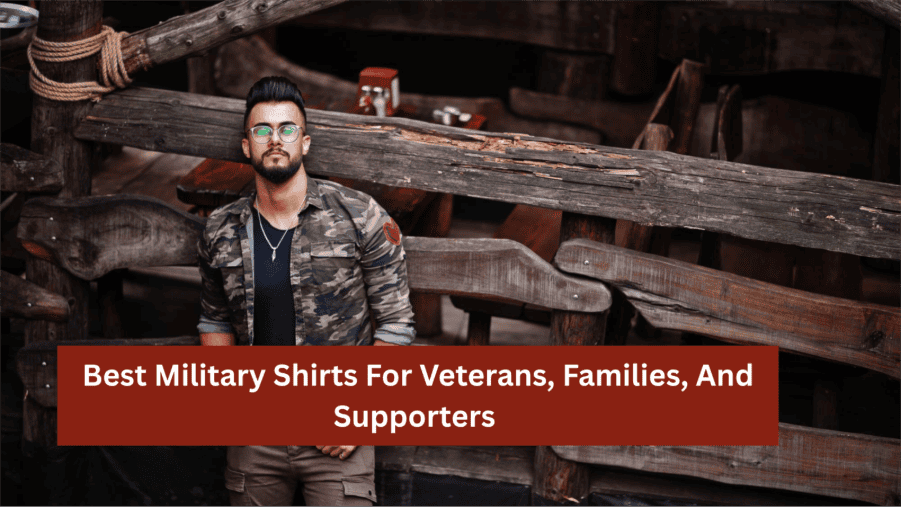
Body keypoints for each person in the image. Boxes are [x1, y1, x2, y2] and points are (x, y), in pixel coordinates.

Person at [197, 76, 415, 506]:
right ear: (246, 146)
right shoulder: (220, 230)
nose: (274, 139)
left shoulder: (360, 216)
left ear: (305, 142)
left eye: (287, 129)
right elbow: (214, 318)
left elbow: (397, 324)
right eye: (262, 130)